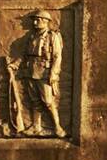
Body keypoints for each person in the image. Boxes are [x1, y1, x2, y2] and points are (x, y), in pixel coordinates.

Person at [8, 9, 65, 138]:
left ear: (46, 22)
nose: (34, 22)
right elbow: (24, 54)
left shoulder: (52, 37)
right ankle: (36, 126)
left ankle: (58, 127)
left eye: (37, 20)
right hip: (31, 71)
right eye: (34, 20)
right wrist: (15, 64)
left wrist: (54, 74)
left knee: (48, 102)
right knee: (34, 101)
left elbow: (57, 57)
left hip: (44, 74)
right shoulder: (31, 37)